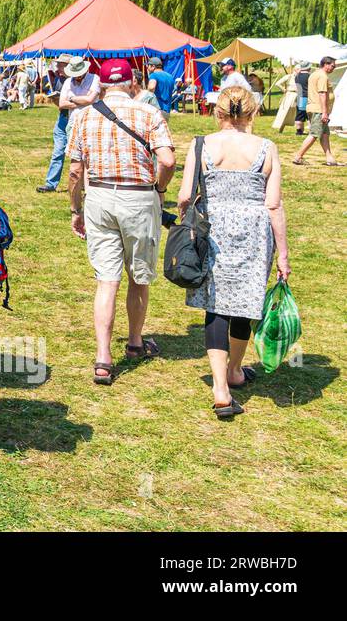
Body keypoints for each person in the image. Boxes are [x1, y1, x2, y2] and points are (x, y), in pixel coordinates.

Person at [176, 86, 290, 418]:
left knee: (216, 306)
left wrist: (187, 216)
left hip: (214, 230)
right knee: (244, 303)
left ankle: (220, 388)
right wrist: (283, 254)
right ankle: (235, 370)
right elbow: (273, 204)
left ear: (219, 112)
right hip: (255, 232)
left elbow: (185, 194)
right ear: (253, 113)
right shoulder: (267, 148)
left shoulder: (201, 145)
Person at [67, 58, 175, 385]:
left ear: (101, 84)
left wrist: (76, 209)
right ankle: (135, 342)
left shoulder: (85, 115)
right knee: (138, 276)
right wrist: (160, 188)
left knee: (107, 279)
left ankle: (103, 357)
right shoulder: (148, 112)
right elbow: (168, 160)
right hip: (139, 196)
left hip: (99, 196)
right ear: (131, 83)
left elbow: (74, 172)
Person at [36, 56, 99, 193]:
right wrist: (81, 101)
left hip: (87, 121)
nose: (58, 68)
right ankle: (51, 183)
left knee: (86, 155)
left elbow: (91, 100)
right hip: (66, 119)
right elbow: (62, 104)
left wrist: (72, 99)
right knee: (61, 152)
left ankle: (86, 185)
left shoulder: (94, 79)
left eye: (60, 65)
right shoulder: (63, 80)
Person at [292, 55, 339, 166]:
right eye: (332, 66)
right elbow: (322, 93)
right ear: (325, 64)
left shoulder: (314, 74)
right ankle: (298, 157)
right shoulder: (322, 76)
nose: (334, 68)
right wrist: (324, 112)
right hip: (319, 109)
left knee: (324, 134)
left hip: (313, 108)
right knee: (314, 134)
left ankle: (329, 158)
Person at [293, 60, 311, 135]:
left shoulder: (296, 76)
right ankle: (310, 131)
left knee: (299, 115)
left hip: (299, 97)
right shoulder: (309, 76)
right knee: (309, 115)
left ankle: (299, 131)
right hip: (307, 97)